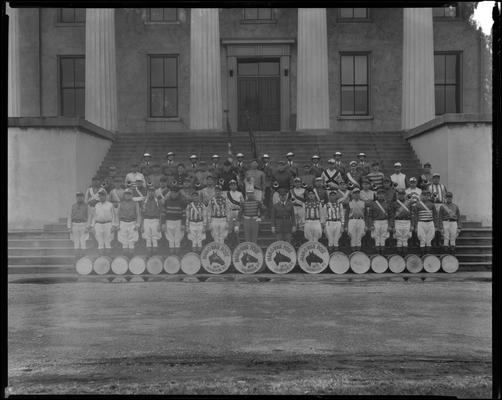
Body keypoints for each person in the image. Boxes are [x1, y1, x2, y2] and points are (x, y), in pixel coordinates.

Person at [162, 183, 187, 255]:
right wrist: (163, 223)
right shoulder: (166, 201)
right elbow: (163, 213)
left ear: (178, 193)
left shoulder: (182, 201)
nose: (174, 194)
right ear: (170, 193)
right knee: (170, 240)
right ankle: (172, 256)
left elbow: (184, 214)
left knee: (177, 240)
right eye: (172, 192)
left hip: (178, 222)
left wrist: (183, 224)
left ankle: (177, 256)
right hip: (169, 222)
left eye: (175, 192)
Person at [89, 189, 116, 255]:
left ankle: (107, 258)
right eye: (100, 196)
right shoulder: (97, 205)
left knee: (108, 242)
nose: (101, 197)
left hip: (108, 224)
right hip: (98, 224)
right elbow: (94, 216)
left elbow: (114, 216)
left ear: (106, 196)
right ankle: (101, 258)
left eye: (103, 195)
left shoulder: (110, 205)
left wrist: (113, 225)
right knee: (100, 243)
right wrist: (92, 226)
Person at [412, 191, 439, 255]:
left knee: (429, 239)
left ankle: (428, 254)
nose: (424, 197)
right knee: (422, 239)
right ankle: (422, 254)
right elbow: (415, 216)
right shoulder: (417, 204)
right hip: (421, 223)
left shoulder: (432, 204)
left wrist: (436, 225)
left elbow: (435, 215)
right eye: (423, 195)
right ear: (420, 196)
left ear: (428, 196)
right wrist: (415, 226)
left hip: (430, 222)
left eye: (426, 195)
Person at [389, 188, 414, 256]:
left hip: (407, 221)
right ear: (397, 195)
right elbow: (391, 216)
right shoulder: (394, 203)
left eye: (403, 194)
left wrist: (412, 225)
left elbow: (412, 214)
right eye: (400, 194)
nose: (401, 196)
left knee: (405, 239)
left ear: (405, 195)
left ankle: (405, 256)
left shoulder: (408, 203)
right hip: (398, 221)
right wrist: (392, 226)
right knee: (399, 240)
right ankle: (399, 256)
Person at [366, 188, 391, 254]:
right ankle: (377, 254)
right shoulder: (373, 204)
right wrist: (371, 225)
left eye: (382, 194)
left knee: (383, 237)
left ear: (385, 195)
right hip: (376, 222)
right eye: (379, 194)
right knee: (376, 237)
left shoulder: (387, 204)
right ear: (377, 195)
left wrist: (390, 225)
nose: (381, 196)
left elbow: (390, 216)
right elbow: (370, 216)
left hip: (385, 222)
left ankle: (382, 253)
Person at [117, 188, 141, 254]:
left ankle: (131, 258)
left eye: (129, 194)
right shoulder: (121, 203)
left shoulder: (135, 203)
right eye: (126, 194)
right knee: (124, 243)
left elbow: (138, 214)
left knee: (131, 243)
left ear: (132, 195)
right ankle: (125, 259)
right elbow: (118, 215)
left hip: (132, 223)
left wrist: (138, 224)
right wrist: (118, 225)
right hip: (123, 223)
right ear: (124, 195)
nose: (127, 195)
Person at [67, 192, 90, 259]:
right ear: (76, 198)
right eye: (78, 196)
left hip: (83, 225)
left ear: (83, 197)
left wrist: (87, 227)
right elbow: (69, 217)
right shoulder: (73, 206)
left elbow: (89, 217)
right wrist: (69, 227)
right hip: (75, 225)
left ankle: (83, 258)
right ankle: (77, 258)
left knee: (83, 241)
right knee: (76, 242)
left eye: (81, 196)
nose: (79, 198)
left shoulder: (86, 206)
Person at [142, 185, 162, 254]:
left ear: (154, 192)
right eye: (149, 191)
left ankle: (154, 256)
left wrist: (160, 224)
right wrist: (142, 225)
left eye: (152, 191)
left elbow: (160, 213)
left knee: (155, 238)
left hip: (155, 220)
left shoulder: (158, 201)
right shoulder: (144, 201)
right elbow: (142, 214)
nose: (151, 193)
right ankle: (149, 255)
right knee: (147, 238)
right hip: (146, 220)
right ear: (148, 192)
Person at [344, 187, 366, 252]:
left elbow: (366, 215)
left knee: (359, 237)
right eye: (355, 193)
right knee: (352, 237)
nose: (356, 194)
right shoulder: (349, 203)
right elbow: (346, 215)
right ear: (352, 195)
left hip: (361, 220)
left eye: (358, 193)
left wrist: (366, 224)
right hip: (352, 220)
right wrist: (346, 225)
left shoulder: (363, 203)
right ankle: (353, 253)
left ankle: (358, 253)